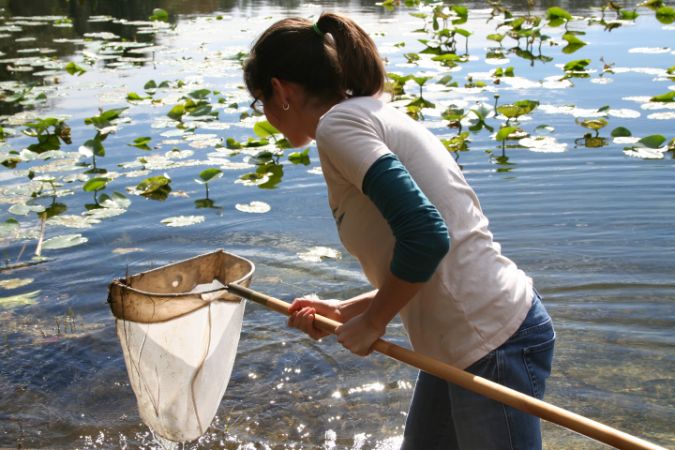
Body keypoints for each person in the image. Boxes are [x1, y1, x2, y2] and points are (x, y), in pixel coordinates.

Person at [243, 11, 555, 450]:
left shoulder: (339, 126)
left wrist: (373, 322)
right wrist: (347, 309)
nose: (266, 116)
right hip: (455, 343)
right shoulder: (365, 116)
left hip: (491, 343)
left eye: (260, 102)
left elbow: (427, 236)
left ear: (280, 90)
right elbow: (438, 265)